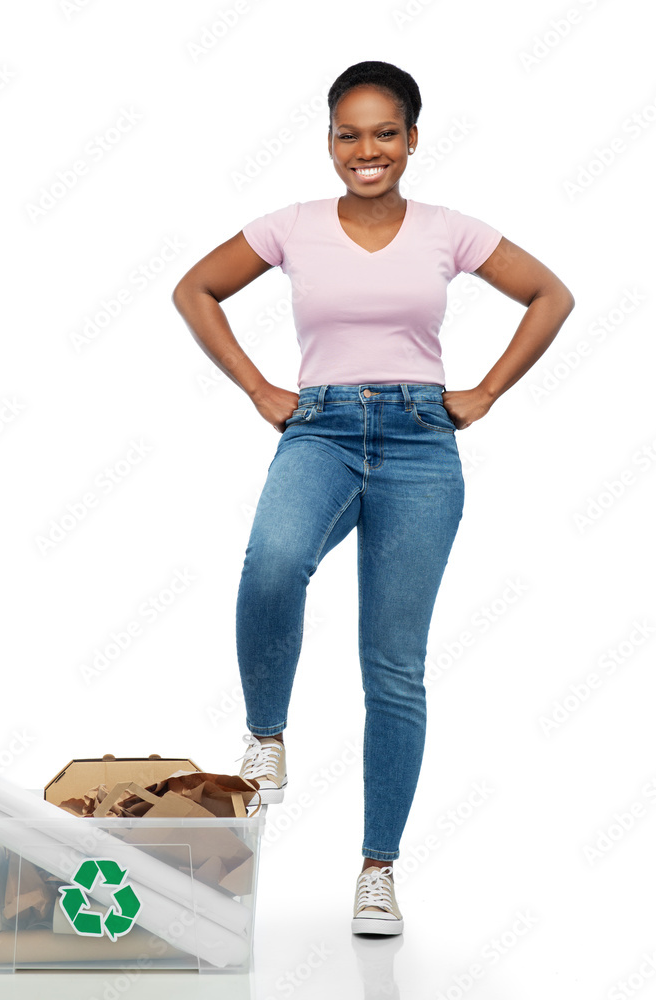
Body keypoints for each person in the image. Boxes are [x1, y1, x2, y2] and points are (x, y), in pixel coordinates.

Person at [171, 60, 575, 936]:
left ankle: (377, 870)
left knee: (392, 668)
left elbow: (551, 295)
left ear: (411, 139)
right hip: (315, 430)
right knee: (272, 563)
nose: (366, 150)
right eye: (348, 134)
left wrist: (487, 391)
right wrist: (255, 388)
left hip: (420, 444)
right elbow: (193, 290)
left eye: (383, 133)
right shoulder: (290, 227)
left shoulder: (447, 231)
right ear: (327, 142)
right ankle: (266, 734)